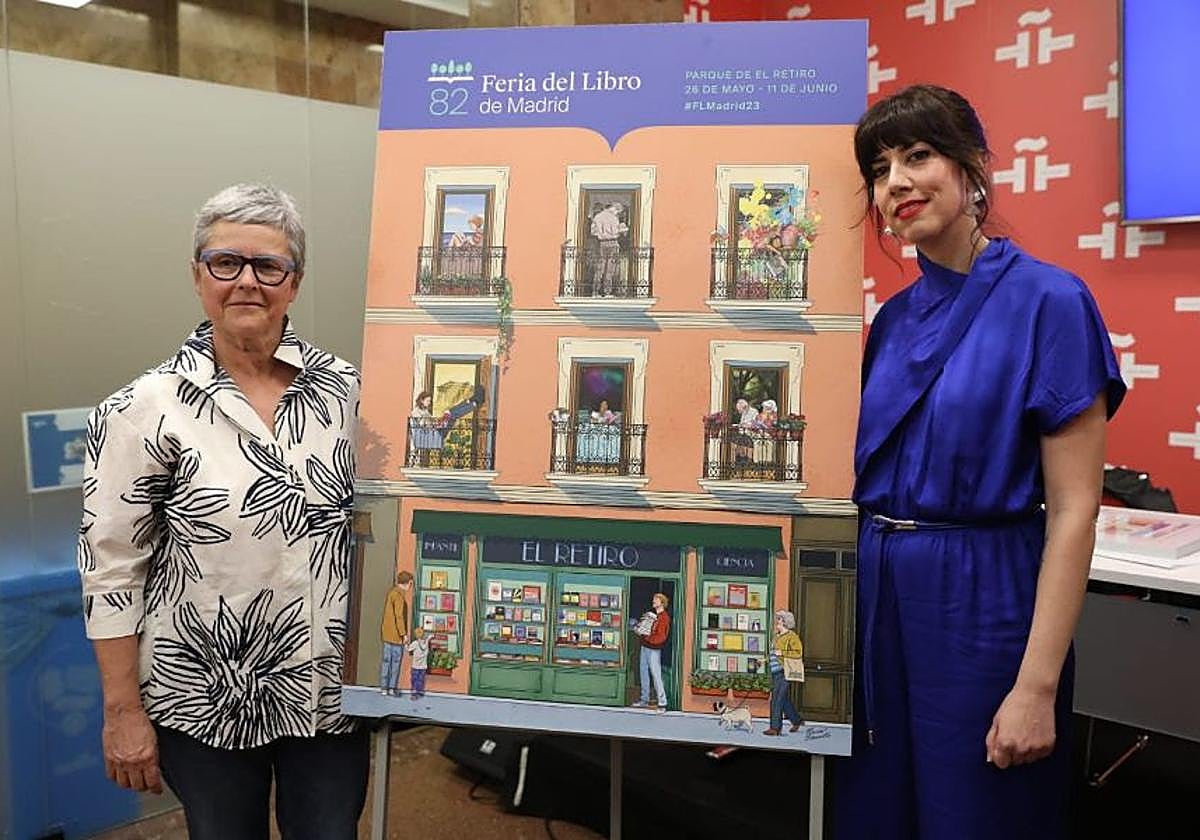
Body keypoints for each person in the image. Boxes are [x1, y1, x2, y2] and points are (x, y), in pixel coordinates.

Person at [838, 85, 1126, 839]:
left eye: (918, 155)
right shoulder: (891, 321)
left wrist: (1037, 687)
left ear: (971, 168)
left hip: (983, 603)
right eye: (879, 169)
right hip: (879, 599)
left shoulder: (1050, 301)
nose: (897, 181)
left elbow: (1075, 511)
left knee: (978, 813)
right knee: (875, 811)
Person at [77, 182, 368, 839]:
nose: (247, 282)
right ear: (197, 275)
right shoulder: (140, 410)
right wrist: (122, 712)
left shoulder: (349, 393)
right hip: (204, 701)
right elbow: (111, 569)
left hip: (329, 695)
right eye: (226, 262)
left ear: (295, 283)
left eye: (269, 266)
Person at [763, 609, 804, 736]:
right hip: (775, 671)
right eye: (778, 619)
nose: (777, 621)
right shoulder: (776, 636)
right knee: (783, 699)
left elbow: (798, 653)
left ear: (786, 622)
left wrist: (782, 653)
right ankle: (796, 720)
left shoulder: (792, 637)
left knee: (776, 699)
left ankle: (775, 728)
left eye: (780, 619)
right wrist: (764, 660)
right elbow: (772, 653)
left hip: (784, 670)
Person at [631, 593, 670, 712]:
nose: (653, 601)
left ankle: (662, 703)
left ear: (662, 603)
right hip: (645, 646)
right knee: (644, 672)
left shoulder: (664, 617)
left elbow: (661, 637)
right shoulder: (655, 616)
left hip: (653, 649)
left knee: (656, 674)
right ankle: (644, 699)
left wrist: (646, 637)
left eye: (656, 600)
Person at [380, 570, 414, 695]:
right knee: (395, 663)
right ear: (407, 583)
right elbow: (399, 616)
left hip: (387, 635)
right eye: (410, 583)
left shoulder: (391, 593)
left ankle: (384, 688)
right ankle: (391, 687)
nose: (410, 586)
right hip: (396, 637)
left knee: (386, 662)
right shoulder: (399, 596)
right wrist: (403, 634)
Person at [589, 202, 628, 296]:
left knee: (600, 268)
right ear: (614, 209)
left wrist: (602, 233)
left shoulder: (597, 217)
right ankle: (607, 291)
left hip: (601, 244)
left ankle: (595, 291)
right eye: (618, 212)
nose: (617, 214)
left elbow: (593, 232)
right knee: (610, 269)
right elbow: (615, 232)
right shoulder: (614, 218)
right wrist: (623, 229)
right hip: (613, 243)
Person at [406, 626, 430, 700]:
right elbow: (427, 652)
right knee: (421, 679)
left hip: (415, 666)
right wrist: (429, 638)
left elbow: (408, 649)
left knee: (414, 679)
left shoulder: (415, 643)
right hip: (423, 666)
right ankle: (420, 691)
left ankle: (414, 693)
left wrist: (406, 643)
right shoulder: (426, 643)